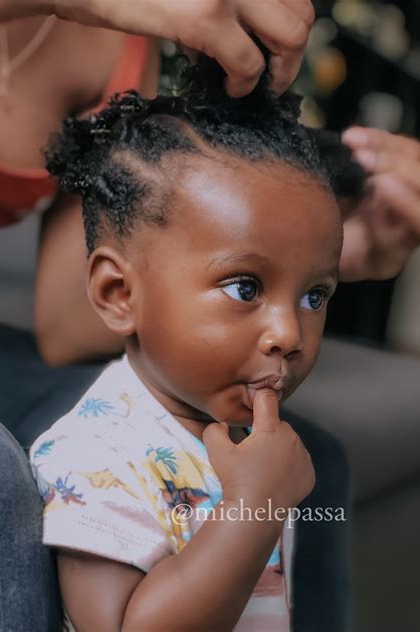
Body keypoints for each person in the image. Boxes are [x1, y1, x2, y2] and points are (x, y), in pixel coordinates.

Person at [29, 55, 364, 631]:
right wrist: (254, 509)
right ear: (118, 293)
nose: (288, 334)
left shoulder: (242, 443)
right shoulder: (98, 454)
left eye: (314, 296)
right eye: (245, 286)